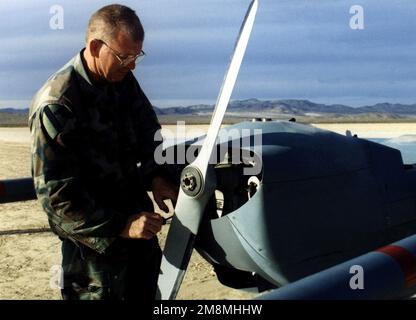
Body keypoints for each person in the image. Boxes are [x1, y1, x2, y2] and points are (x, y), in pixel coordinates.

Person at [29, 4, 178, 300]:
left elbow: (149, 132)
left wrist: (156, 176)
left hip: (140, 246)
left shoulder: (120, 79)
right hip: (94, 267)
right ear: (96, 46)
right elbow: (58, 200)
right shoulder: (58, 104)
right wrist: (123, 225)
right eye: (125, 56)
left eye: (137, 56)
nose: (132, 65)